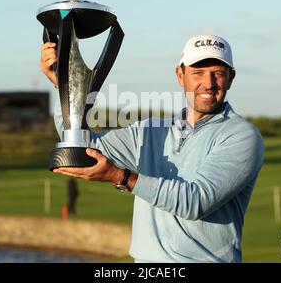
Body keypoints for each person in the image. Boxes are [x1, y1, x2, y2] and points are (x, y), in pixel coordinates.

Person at [40, 34, 264, 263]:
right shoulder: (149, 130)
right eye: (198, 73)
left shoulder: (241, 136)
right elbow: (82, 147)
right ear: (180, 75)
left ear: (230, 78)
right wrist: (64, 87)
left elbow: (195, 202)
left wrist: (121, 177)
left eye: (217, 73)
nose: (208, 83)